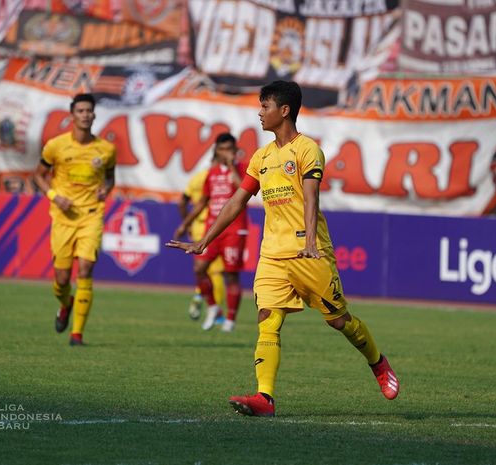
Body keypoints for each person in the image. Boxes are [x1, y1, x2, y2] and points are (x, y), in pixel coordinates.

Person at [167, 81, 399, 416]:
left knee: (339, 321)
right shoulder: (261, 157)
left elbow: (311, 195)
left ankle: (377, 362)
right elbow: (237, 200)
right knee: (267, 319)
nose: (259, 113)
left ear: (284, 110)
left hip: (309, 251)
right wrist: (205, 240)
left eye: (265, 106)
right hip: (273, 253)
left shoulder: (307, 150)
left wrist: (308, 241)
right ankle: (265, 398)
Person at [33, 93, 116, 346]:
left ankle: (77, 334)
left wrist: (107, 189)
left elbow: (110, 177)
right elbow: (37, 176)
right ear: (72, 115)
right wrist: (54, 196)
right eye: (80, 110)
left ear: (94, 114)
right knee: (61, 280)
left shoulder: (106, 149)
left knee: (86, 269)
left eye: (89, 110)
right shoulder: (55, 146)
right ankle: (65, 303)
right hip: (63, 217)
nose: (85, 114)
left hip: (91, 216)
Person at [173, 133, 248, 332]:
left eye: (230, 148)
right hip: (213, 230)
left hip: (234, 229)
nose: (227, 152)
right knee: (199, 268)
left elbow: (245, 192)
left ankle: (231, 319)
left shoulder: (243, 169)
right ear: (216, 150)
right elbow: (202, 203)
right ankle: (213, 307)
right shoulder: (212, 173)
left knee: (230, 275)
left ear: (235, 149)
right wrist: (185, 224)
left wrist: (232, 166)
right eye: (223, 149)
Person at [178, 161, 227, 321]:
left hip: (197, 228)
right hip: (213, 228)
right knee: (216, 272)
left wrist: (186, 223)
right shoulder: (217, 178)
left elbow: (182, 201)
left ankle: (200, 293)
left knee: (201, 269)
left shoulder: (196, 178)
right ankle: (216, 311)